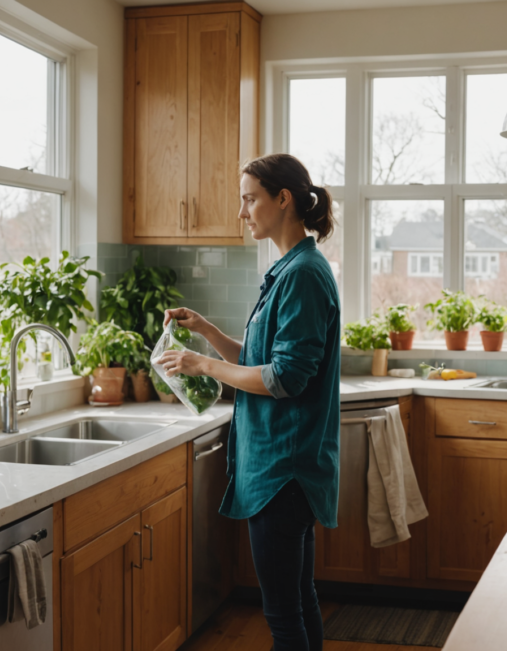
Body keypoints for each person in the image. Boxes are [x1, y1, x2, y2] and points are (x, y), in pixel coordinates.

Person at [157, 153, 340, 651]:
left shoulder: (301, 274)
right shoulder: (290, 269)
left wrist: (203, 366)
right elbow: (262, 359)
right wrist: (209, 334)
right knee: (299, 601)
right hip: (284, 466)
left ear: (283, 200)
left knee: (284, 613)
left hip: (285, 469)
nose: (242, 212)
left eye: (249, 199)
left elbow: (285, 379)